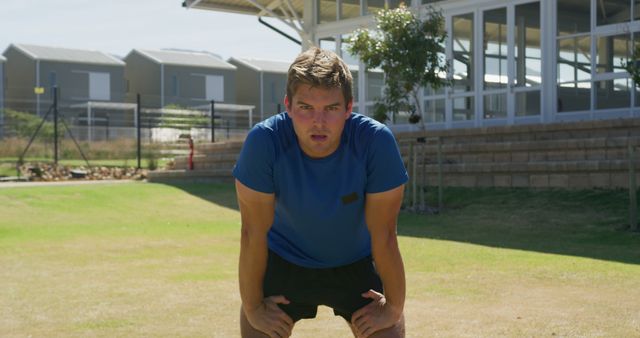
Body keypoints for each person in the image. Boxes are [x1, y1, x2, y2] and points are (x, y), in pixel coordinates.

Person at [233, 47, 408, 338]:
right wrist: (253, 307)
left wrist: (394, 307)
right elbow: (253, 232)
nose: (319, 122)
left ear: (349, 107)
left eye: (331, 108)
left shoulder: (375, 142)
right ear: (288, 105)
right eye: (306, 107)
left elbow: (385, 235)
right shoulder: (264, 142)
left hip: (356, 261)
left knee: (388, 330)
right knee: (257, 328)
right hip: (285, 260)